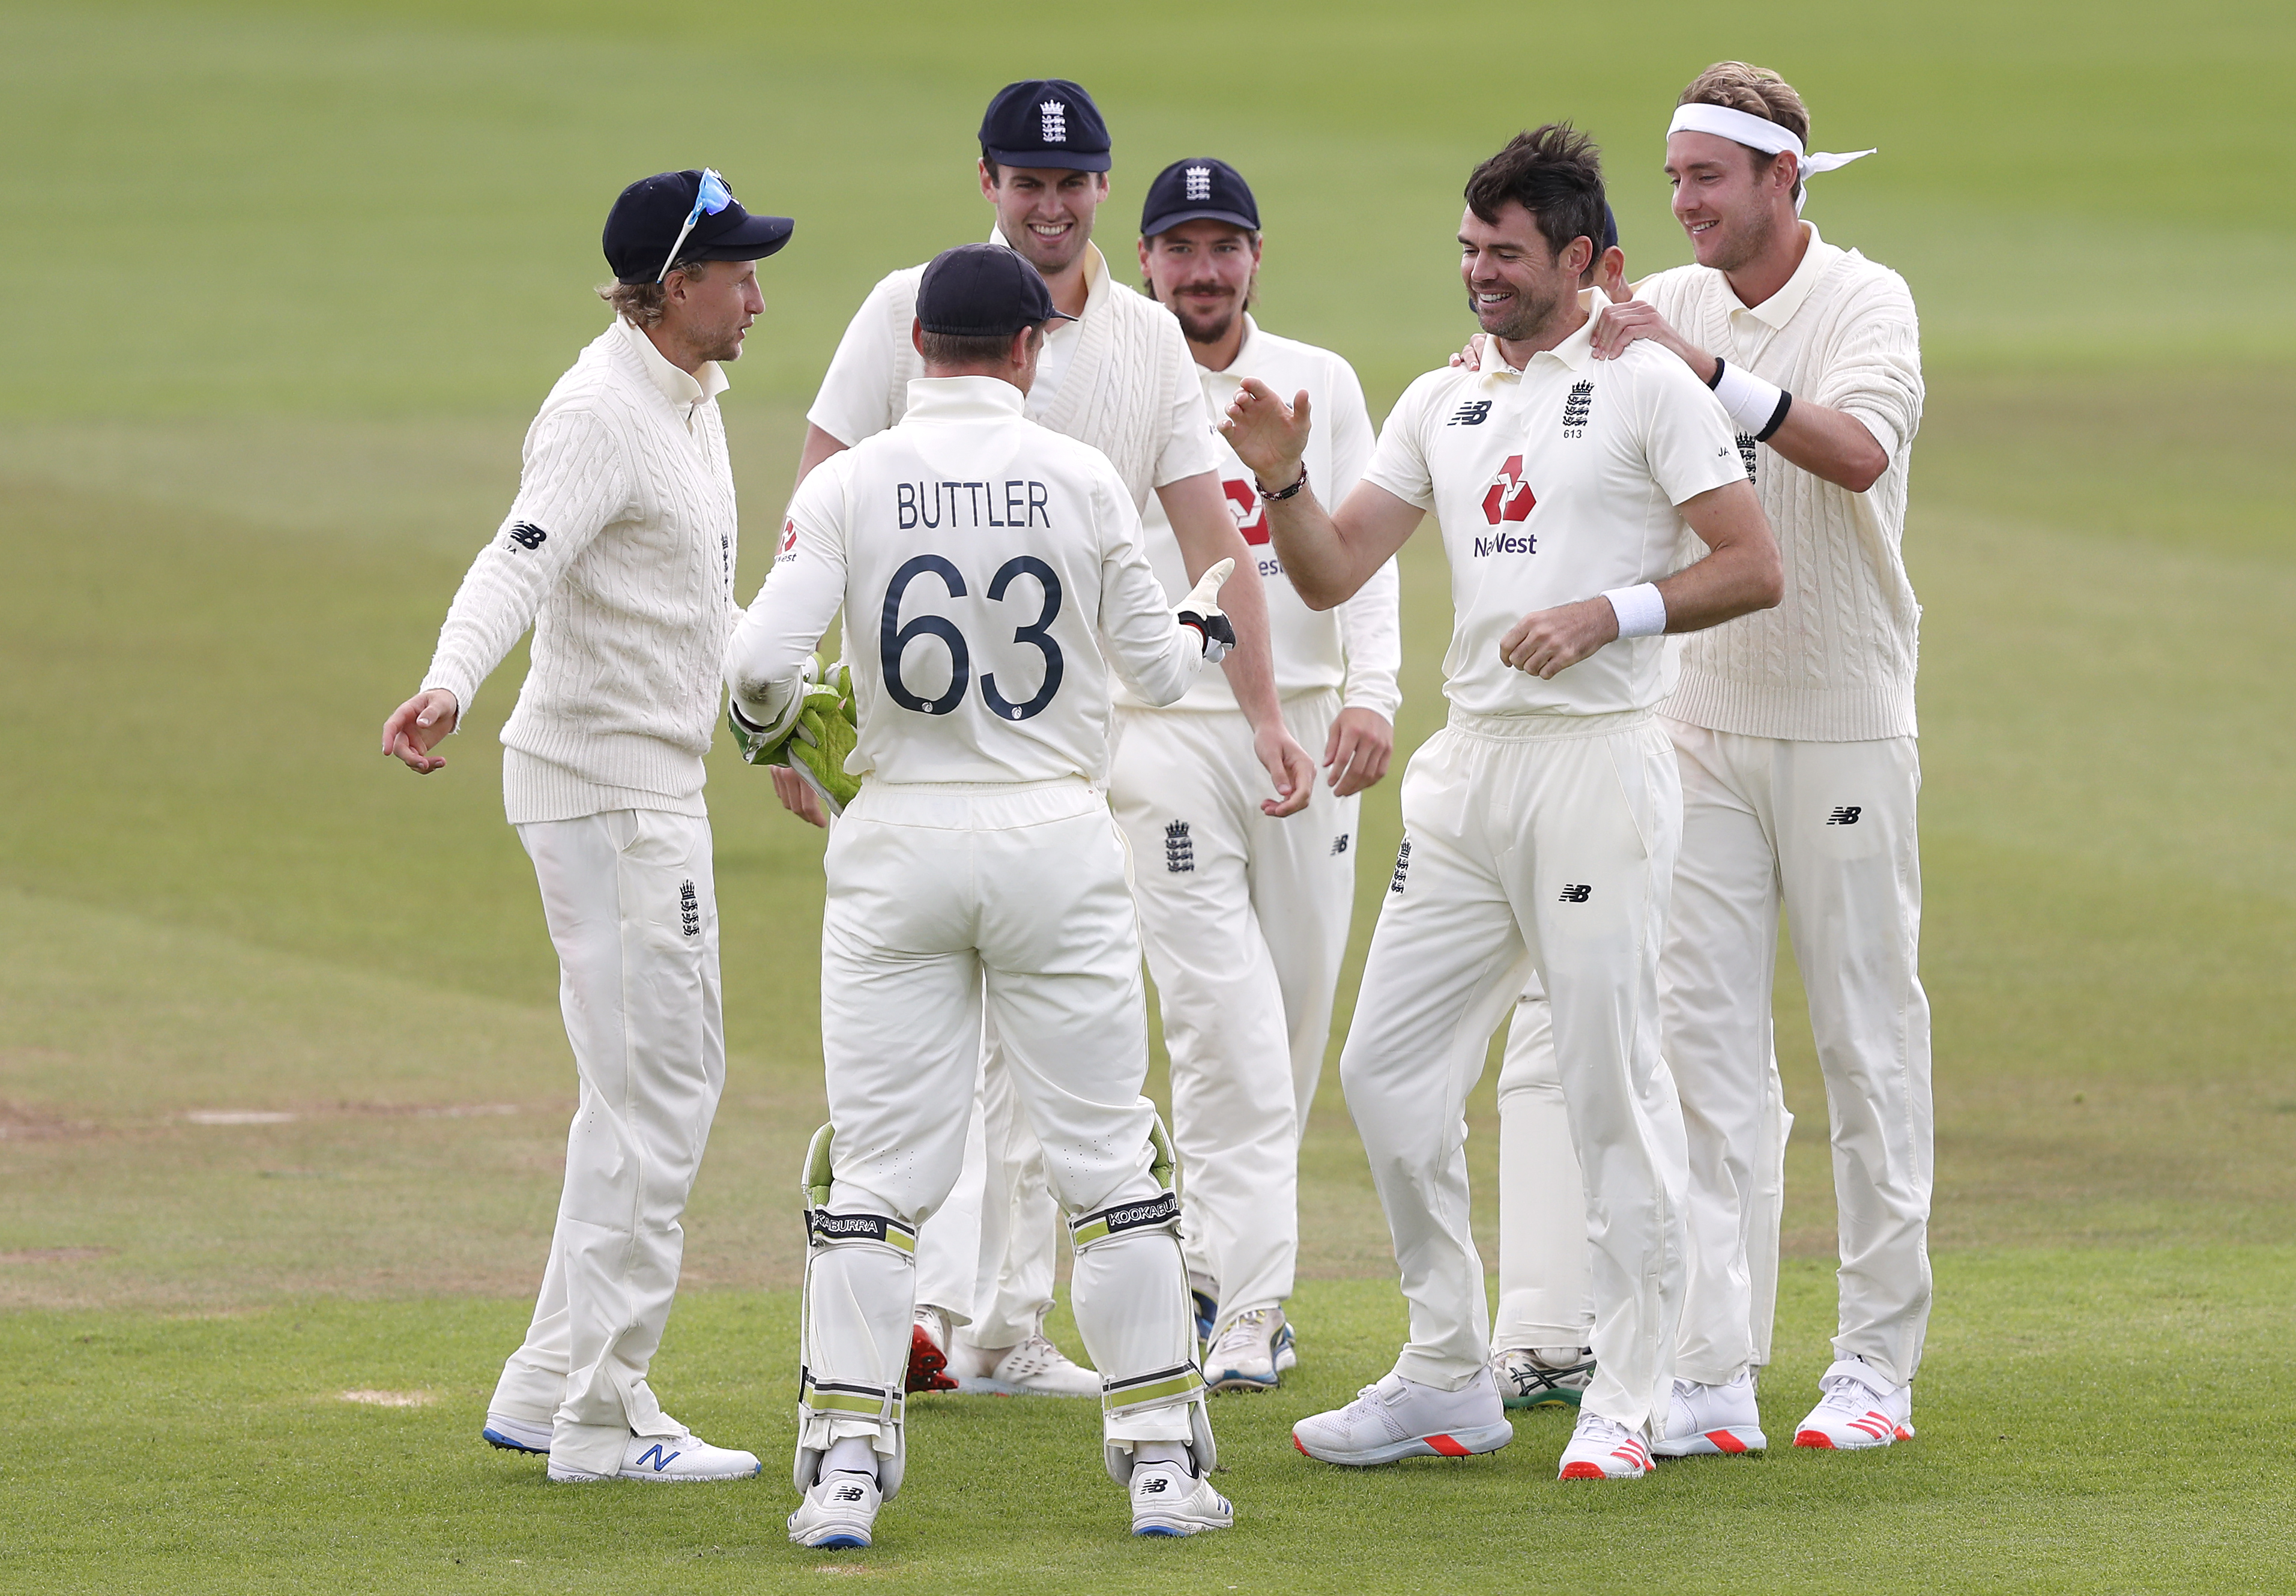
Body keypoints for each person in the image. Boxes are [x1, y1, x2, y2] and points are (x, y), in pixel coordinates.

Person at [1222, 124, 1783, 1481]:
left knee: (1606, 1078)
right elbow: (1332, 571)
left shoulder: (1651, 388)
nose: (1479, 273)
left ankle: (1631, 1392)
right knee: (1385, 1073)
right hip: (1470, 772)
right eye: (1469, 249)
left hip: (1597, 761)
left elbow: (1753, 563)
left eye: (1506, 254)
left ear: (1581, 258)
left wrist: (1611, 612)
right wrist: (1284, 476)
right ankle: (1443, 1373)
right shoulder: (1441, 398)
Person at [788, 79, 1315, 1400]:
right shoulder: (918, 306)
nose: (1051, 203)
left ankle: (998, 1325)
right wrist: (808, 723)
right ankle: (948, 1312)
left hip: (1087, 747)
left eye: (1073, 184)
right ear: (988, 182)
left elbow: (1219, 542)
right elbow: (817, 503)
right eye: (1028, 181)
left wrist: (1260, 716)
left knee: (1049, 1056)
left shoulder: (1141, 345)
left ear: (1099, 192)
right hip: (920, 748)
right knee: (947, 1052)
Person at [726, 244, 1240, 1546]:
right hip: (1053, 837)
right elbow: (1163, 679)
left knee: (879, 1164)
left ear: (916, 351)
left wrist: (789, 738)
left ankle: (844, 1468)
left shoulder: (849, 481)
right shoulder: (1077, 477)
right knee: (1105, 1152)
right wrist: (1206, 625)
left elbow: (754, 669)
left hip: (897, 835)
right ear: (1027, 351)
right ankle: (1161, 1466)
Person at [379, 168, 792, 1484]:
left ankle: (552, 1377)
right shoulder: (602, 412)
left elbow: (689, 604)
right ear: (675, 288)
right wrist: (448, 680)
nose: (756, 293)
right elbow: (521, 557)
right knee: (660, 1098)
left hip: (645, 786)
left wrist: (783, 703)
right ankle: (604, 1422)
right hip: (607, 798)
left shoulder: (691, 399)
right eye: (736, 272)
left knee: (636, 1097)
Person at [1594, 61, 1929, 1455]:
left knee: (1866, 1045)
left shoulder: (1866, 298)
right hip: (1698, 718)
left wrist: (1716, 378)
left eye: (1705, 180)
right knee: (1708, 1056)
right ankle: (1714, 1368)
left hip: (1843, 713)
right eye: (1670, 181)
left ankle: (1873, 1369)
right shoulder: (1666, 303)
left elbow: (1852, 454)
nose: (1681, 206)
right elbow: (1576, 382)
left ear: (1781, 179)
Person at [1105, 156, 1402, 1391]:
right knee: (1215, 1022)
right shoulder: (1121, 384)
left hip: (1314, 724)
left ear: (1255, 258)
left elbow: (1366, 548)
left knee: (1283, 1026)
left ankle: (1234, 1278)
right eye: (1179, 248)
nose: (1202, 270)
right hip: (1164, 729)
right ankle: (1236, 1300)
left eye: (1223, 246)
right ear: (1146, 264)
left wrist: (1378, 693)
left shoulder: (1319, 382)